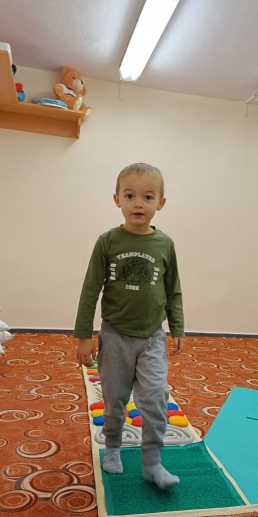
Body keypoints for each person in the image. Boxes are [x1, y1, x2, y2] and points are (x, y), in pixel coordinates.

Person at [74, 162, 185, 489]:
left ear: (160, 203)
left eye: (148, 197)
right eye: (130, 195)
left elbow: (173, 289)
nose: (138, 203)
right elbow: (90, 289)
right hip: (115, 336)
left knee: (155, 399)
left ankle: (152, 463)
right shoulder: (107, 241)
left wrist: (177, 327)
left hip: (152, 338)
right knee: (115, 400)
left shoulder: (165, 244)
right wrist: (83, 335)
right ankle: (112, 447)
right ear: (117, 200)